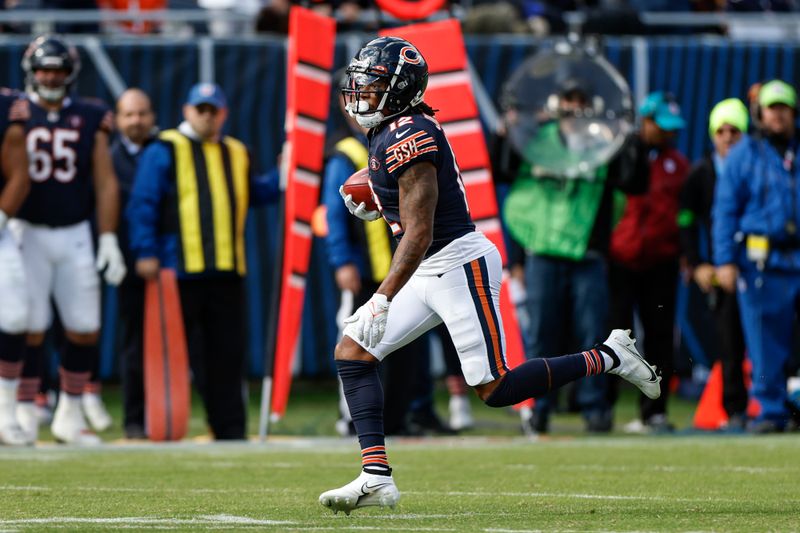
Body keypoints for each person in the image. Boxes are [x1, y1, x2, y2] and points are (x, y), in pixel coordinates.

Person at [318, 36, 661, 515]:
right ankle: (375, 475)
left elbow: (419, 234)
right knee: (352, 351)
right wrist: (380, 201)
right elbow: (414, 213)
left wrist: (381, 298)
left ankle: (609, 356)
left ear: (398, 88)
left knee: (495, 388)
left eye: (372, 85)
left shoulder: (407, 134)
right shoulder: (391, 129)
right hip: (430, 266)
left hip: (457, 262)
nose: (360, 94)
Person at [127, 82, 278, 440]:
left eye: (214, 110)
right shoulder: (165, 149)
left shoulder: (237, 151)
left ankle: (229, 428)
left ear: (224, 113)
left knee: (227, 354)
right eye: (201, 110)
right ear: (187, 111)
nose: (207, 116)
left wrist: (282, 175)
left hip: (227, 269)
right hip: (177, 270)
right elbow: (142, 203)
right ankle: (150, 423)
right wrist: (145, 251)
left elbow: (254, 194)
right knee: (165, 353)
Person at [498, 80, 650, 434]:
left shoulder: (603, 141)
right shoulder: (538, 139)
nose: (574, 107)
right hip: (544, 252)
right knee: (541, 336)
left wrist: (630, 141)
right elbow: (507, 173)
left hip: (588, 253)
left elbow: (634, 183)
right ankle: (539, 410)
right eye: (569, 99)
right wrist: (506, 131)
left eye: (580, 99)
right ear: (558, 102)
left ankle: (595, 410)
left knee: (592, 335)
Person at [14, 35, 126, 445]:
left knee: (84, 326)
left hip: (75, 230)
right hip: (26, 229)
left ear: (71, 73)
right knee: (28, 325)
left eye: (58, 69)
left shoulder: (90, 114)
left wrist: (108, 237)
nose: (50, 76)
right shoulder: (17, 112)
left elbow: (105, 181)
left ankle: (70, 412)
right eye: (44, 68)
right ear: (31, 70)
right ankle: (24, 410)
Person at [713, 80, 800, 433]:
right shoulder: (744, 154)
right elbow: (725, 210)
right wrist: (724, 260)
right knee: (764, 339)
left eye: (784, 107)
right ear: (760, 112)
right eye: (772, 107)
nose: (778, 114)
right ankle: (770, 408)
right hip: (761, 258)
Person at [608, 91, 689, 433]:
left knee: (658, 337)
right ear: (646, 121)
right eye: (663, 126)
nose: (670, 134)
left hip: (660, 261)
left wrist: (682, 251)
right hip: (620, 260)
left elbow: (683, 216)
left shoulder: (678, 165)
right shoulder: (620, 155)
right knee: (611, 337)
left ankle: (654, 412)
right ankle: (602, 409)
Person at [678, 98, 749, 429]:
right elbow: (686, 220)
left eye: (734, 130)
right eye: (721, 130)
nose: (728, 136)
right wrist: (698, 263)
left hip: (760, 265)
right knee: (729, 339)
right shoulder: (701, 173)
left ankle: (776, 406)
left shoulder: (759, 165)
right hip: (721, 268)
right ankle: (735, 410)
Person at [109, 88, 157, 439]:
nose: (136, 120)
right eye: (129, 114)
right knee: (133, 343)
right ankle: (135, 421)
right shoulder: (107, 157)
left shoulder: (165, 150)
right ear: (117, 119)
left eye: (142, 113)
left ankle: (173, 417)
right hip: (125, 263)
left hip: (171, 264)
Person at [0, 91, 32, 446]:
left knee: (15, 318)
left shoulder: (7, 107)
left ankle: (5, 413)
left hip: (1, 229)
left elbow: (20, 176)